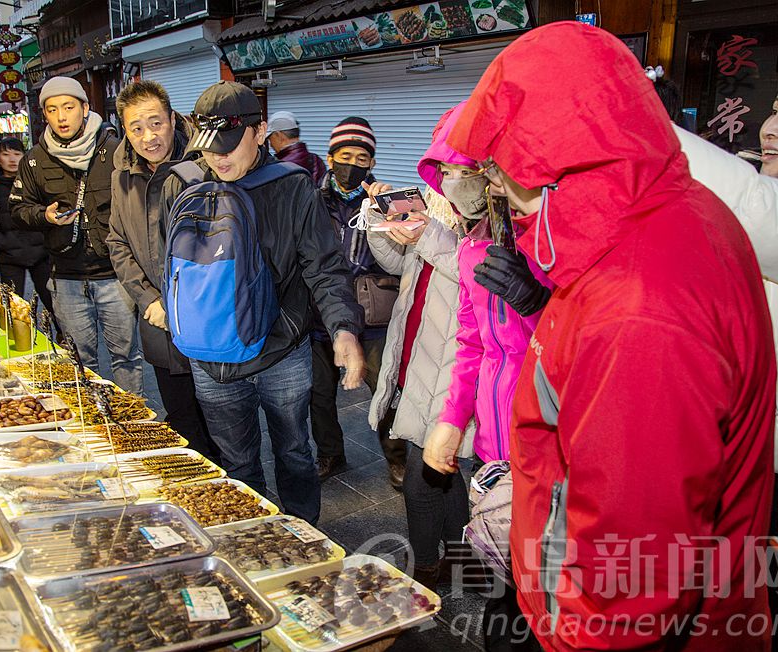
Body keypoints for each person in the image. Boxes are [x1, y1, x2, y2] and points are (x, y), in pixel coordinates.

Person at [435, 23, 777, 650]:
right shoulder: (665, 213)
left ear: (553, 156)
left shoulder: (639, 307)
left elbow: (627, 598)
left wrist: (566, 630)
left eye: (502, 168)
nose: (499, 190)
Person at [160, 81, 365, 524]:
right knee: (238, 464)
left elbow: (324, 266)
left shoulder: (293, 188)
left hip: (281, 351)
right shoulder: (182, 186)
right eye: (210, 147)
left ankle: (303, 532)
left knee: (294, 451)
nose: (219, 158)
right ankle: (253, 536)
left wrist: (343, 328)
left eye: (229, 145)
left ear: (260, 131)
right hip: (212, 358)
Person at [366, 101, 543, 589]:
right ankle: (469, 563)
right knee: (451, 485)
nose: (452, 182)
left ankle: (444, 565)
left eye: (462, 170)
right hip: (442, 373)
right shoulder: (470, 229)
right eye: (444, 170)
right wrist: (389, 225)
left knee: (431, 486)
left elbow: (542, 333)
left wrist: (536, 304)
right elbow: (473, 334)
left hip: (532, 428)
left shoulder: (529, 232)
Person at [675, 58, 778, 652]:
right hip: (750, 461)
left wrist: (632, 118)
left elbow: (748, 202)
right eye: (774, 109)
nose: (771, 126)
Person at [10, 76, 144, 394]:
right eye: (52, 109)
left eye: (68, 107)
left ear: (85, 108)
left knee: (126, 357)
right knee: (79, 361)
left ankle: (134, 421)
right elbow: (16, 210)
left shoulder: (115, 151)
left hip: (115, 277)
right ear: (44, 114)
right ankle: (90, 423)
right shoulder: (34, 160)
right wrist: (43, 215)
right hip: (66, 278)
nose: (61, 116)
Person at [106, 80, 218, 461]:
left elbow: (221, 246)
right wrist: (149, 299)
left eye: (156, 123)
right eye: (136, 128)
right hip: (158, 321)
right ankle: (201, 492)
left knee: (222, 420)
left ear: (172, 119)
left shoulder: (206, 166)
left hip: (207, 319)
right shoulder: (122, 172)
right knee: (183, 416)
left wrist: (183, 303)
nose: (148, 136)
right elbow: (117, 242)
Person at [308, 116, 407, 486]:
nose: (352, 164)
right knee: (319, 393)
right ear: (330, 158)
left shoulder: (385, 201)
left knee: (385, 390)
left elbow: (399, 256)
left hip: (372, 316)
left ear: (372, 163)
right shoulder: (310, 199)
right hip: (322, 317)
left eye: (362, 158)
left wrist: (384, 210)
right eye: (344, 154)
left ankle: (397, 458)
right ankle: (330, 453)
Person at [0, 137, 53, 314]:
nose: (12, 159)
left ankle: (62, 338)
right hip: (10, 256)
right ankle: (17, 339)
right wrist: (3, 243)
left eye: (17, 154)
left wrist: (46, 240)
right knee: (13, 305)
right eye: (6, 154)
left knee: (52, 300)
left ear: (24, 157)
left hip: (41, 253)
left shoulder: (36, 184)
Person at [265, 111, 326, 185]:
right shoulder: (317, 160)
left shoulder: (278, 168)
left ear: (279, 135)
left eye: (270, 139)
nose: (271, 145)